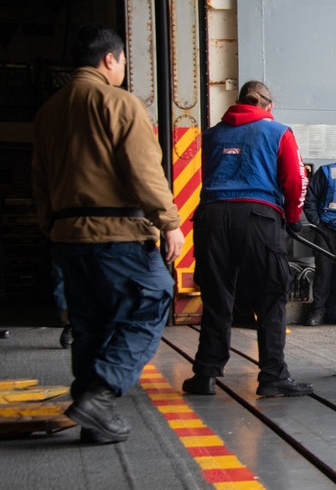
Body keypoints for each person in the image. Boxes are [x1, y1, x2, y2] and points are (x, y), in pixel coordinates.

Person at [32, 24, 184, 444]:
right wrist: (168, 222)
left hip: (67, 236)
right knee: (151, 302)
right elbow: (143, 170)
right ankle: (100, 396)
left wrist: (52, 227)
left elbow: (39, 181)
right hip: (116, 233)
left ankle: (92, 418)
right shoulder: (119, 103)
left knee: (91, 324)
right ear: (110, 59)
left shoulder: (49, 110)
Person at [182, 81, 313, 398]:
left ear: (238, 102)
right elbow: (295, 179)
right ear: (268, 105)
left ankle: (205, 373)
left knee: (217, 296)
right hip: (257, 217)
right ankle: (272, 376)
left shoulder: (212, 134)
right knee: (270, 296)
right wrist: (294, 219)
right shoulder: (278, 131)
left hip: (212, 217)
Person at [302, 137, 336, 326]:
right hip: (326, 229)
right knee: (324, 270)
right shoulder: (326, 172)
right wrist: (316, 223)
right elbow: (310, 199)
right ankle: (317, 311)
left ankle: (332, 311)